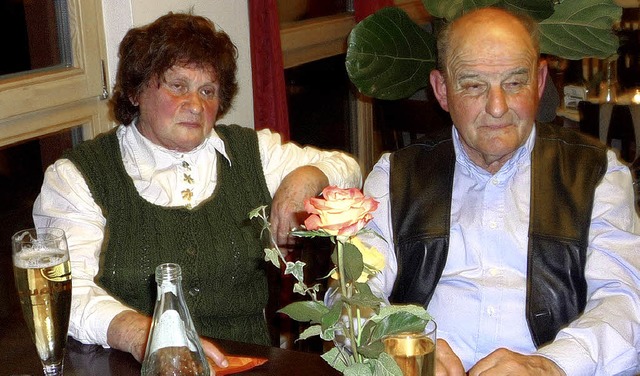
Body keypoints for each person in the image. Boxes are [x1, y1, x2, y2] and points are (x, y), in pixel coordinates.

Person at [32, 12, 361, 368]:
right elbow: (68, 294)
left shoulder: (252, 153)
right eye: (178, 86)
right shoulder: (78, 176)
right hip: (133, 368)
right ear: (135, 90)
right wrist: (146, 336)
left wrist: (307, 177)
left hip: (245, 365)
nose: (196, 105)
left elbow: (349, 170)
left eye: (208, 91)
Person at [361, 7, 640, 376]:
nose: (497, 108)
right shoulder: (395, 176)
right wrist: (395, 341)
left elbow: (626, 302)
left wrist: (549, 366)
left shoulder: (596, 175)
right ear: (442, 90)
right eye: (474, 85)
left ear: (540, 83)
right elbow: (352, 293)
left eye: (514, 83)